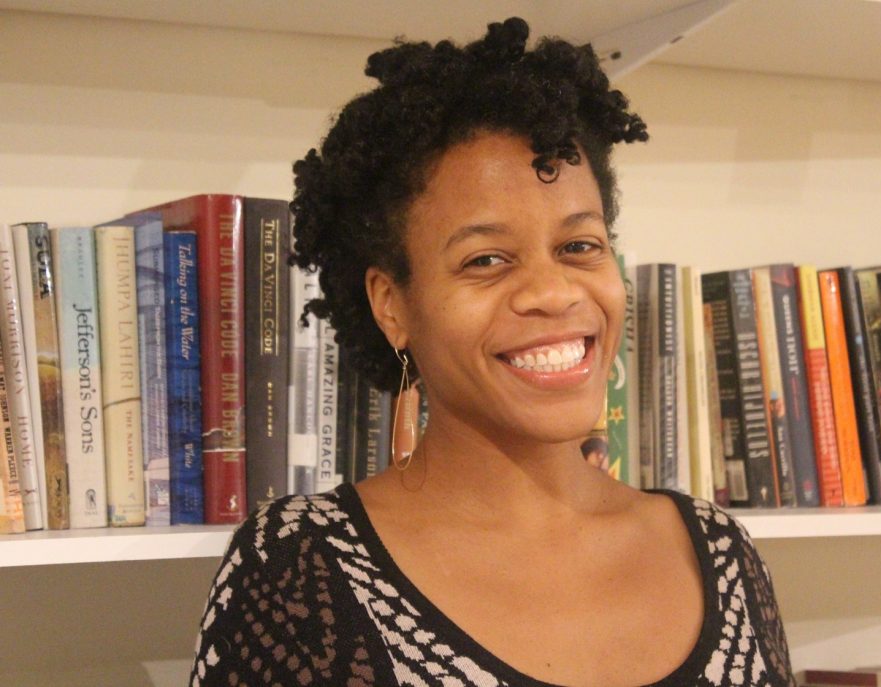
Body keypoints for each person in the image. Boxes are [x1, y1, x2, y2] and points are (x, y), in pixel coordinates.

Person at [190, 17, 794, 687]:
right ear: (392, 304)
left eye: (579, 246)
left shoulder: (719, 551)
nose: (553, 292)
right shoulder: (298, 568)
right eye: (486, 259)